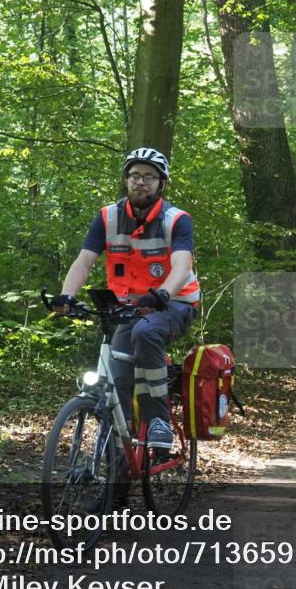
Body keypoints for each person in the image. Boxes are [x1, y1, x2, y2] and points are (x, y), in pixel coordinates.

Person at [52, 147, 199, 450]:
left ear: (161, 183)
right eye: (134, 175)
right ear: (126, 180)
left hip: (174, 304)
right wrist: (67, 295)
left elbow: (183, 266)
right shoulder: (108, 217)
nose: (140, 182)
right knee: (116, 382)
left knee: (146, 332)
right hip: (128, 308)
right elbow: (84, 261)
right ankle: (116, 463)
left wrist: (163, 294)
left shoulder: (176, 220)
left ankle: (158, 420)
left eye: (149, 177)